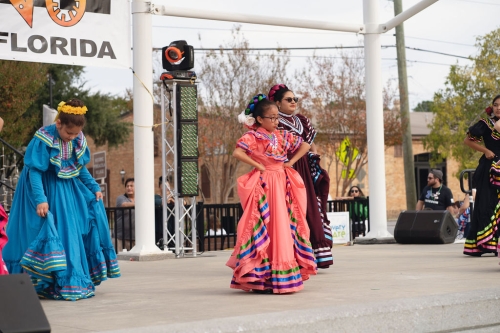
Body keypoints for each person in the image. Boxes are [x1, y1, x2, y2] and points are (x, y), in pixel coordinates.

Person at [2, 98, 120, 300]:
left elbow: (79, 169)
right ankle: (35, 282)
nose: (71, 137)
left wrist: (93, 188)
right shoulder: (43, 138)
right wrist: (41, 199)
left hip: (66, 190)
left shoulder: (76, 139)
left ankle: (65, 280)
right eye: (68, 133)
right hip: (42, 188)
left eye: (76, 134)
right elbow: (35, 172)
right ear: (58, 123)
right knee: (38, 230)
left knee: (69, 233)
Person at [226, 94, 317, 294]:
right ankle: (261, 277)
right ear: (259, 119)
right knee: (263, 226)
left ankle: (279, 276)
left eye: (277, 118)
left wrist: (291, 163)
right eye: (272, 118)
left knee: (283, 227)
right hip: (264, 184)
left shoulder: (282, 136)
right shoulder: (252, 136)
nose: (276, 121)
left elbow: (306, 144)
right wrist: (258, 165)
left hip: (282, 183)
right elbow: (238, 152)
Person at [268, 84, 333, 269]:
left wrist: (315, 159)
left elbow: (310, 143)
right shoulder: (274, 121)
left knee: (308, 206)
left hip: (303, 166)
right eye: (289, 99)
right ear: (278, 102)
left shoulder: (301, 120)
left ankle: (312, 254)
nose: (293, 102)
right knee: (287, 209)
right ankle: (289, 255)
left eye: (295, 99)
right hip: (284, 166)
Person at [463, 95, 500, 256]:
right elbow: (468, 141)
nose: (498, 107)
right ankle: (483, 244)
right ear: (492, 107)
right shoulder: (485, 124)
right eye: (496, 105)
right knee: (485, 203)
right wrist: (486, 151)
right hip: (489, 168)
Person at [115, 178, 135, 251]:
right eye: (127, 186)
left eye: (131, 186)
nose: (129, 188)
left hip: (136, 237)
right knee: (121, 260)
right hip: (121, 237)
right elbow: (124, 204)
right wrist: (139, 203)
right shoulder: (121, 198)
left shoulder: (140, 198)